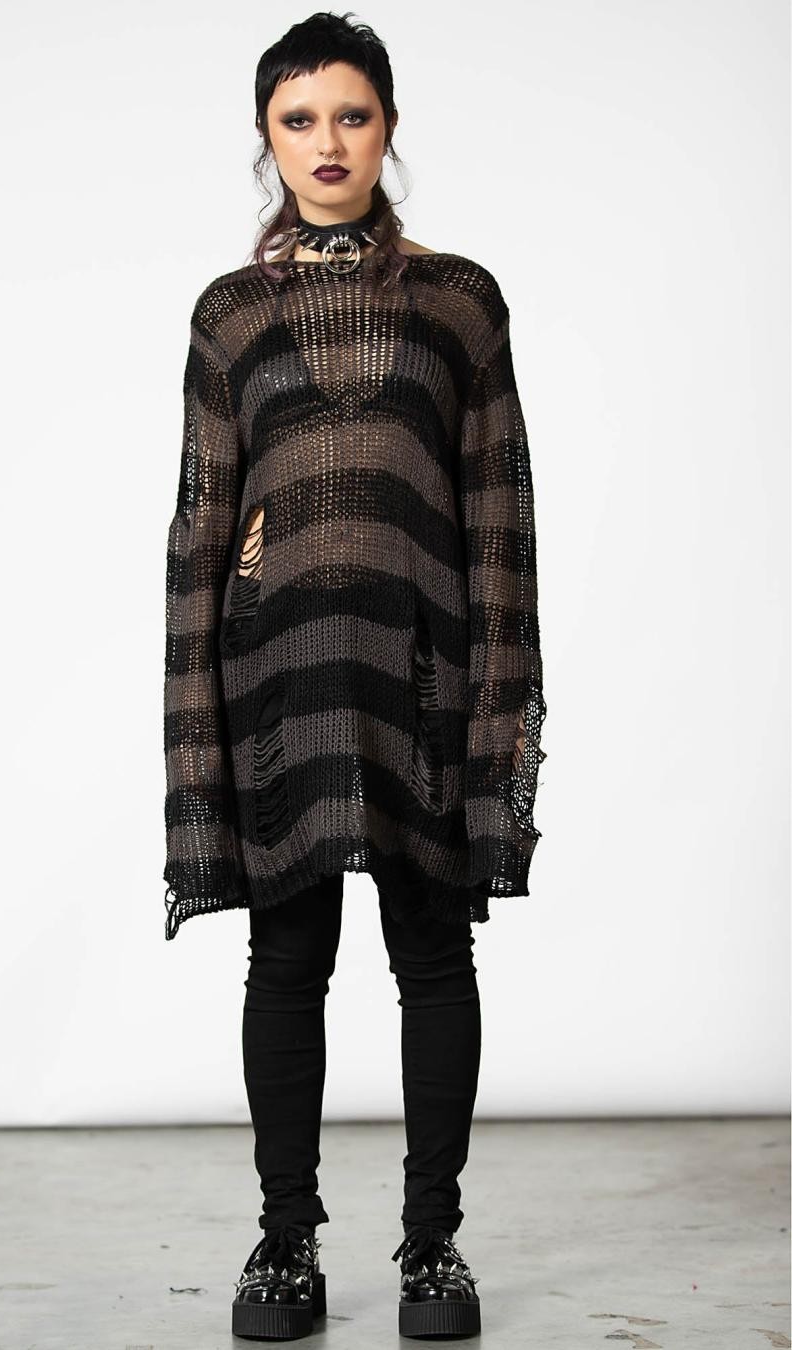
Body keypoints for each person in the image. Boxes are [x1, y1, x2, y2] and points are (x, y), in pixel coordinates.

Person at [162, 10, 546, 1341]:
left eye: (351, 114)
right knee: (288, 956)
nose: (327, 141)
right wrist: (197, 730)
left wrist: (499, 698)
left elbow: (498, 508)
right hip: (277, 677)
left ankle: (432, 1245)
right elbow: (201, 530)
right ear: (266, 139)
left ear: (388, 127)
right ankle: (286, 1240)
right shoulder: (230, 317)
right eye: (299, 119)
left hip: (423, 674)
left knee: (431, 951)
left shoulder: (461, 302)